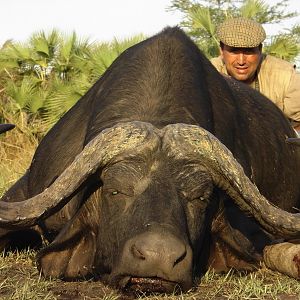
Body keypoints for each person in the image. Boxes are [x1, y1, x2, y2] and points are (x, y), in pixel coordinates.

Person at [211, 17, 300, 130]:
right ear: (221, 50)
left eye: (249, 51)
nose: (241, 61)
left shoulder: (286, 76)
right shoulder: (208, 74)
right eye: (234, 51)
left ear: (260, 50)